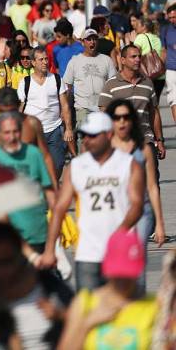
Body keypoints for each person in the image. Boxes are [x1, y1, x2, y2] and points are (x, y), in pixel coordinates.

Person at [40, 112, 145, 290]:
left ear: (109, 134)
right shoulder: (77, 166)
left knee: (120, 309)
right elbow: (59, 208)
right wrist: (50, 249)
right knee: (88, 309)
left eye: (93, 135)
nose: (87, 140)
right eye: (84, 135)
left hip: (119, 251)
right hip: (87, 252)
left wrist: (119, 234)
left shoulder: (128, 164)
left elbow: (137, 205)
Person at [0, 223, 74, 349]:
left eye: (7, 261)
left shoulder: (47, 284)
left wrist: (60, 315)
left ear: (19, 255)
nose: (1, 270)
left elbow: (80, 319)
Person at [57, 230, 157, 349]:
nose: (122, 281)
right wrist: (88, 323)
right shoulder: (85, 303)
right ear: (106, 268)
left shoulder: (154, 306)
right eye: (118, 274)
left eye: (128, 274)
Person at [107, 99, 166, 291]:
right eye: (117, 118)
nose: (122, 122)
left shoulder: (143, 149)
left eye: (126, 117)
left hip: (143, 211)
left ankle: (138, 301)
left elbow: (152, 186)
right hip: (115, 211)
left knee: (137, 258)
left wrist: (159, 223)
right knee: (115, 264)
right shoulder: (105, 149)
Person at [0, 113, 56, 256]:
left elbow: (49, 190)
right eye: (7, 133)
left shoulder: (33, 154)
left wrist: (57, 220)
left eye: (15, 132)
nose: (12, 137)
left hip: (37, 234)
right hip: (5, 238)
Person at [99, 44, 166, 160]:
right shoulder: (111, 85)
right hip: (121, 144)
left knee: (152, 177)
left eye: (139, 56)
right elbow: (104, 115)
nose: (138, 59)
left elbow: (154, 113)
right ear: (123, 60)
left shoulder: (148, 83)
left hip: (146, 140)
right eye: (133, 57)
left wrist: (159, 140)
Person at [19, 46, 75, 177]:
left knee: (58, 164)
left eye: (46, 59)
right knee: (33, 167)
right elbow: (19, 109)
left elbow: (65, 106)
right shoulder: (25, 82)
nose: (45, 62)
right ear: (33, 62)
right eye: (41, 60)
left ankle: (52, 188)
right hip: (33, 132)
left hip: (54, 129)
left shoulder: (56, 79)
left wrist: (68, 128)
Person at [63, 28, 118, 129]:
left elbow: (113, 85)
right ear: (83, 42)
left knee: (103, 140)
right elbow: (67, 88)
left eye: (95, 39)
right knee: (84, 141)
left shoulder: (107, 60)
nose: (92, 42)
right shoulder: (74, 61)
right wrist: (65, 110)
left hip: (103, 108)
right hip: (83, 108)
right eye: (89, 39)